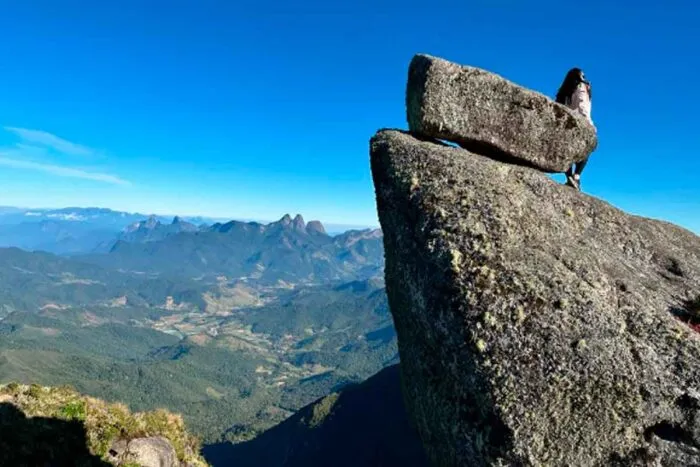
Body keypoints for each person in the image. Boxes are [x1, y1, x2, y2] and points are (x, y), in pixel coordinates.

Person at [556, 67, 593, 190]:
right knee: (586, 149)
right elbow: (583, 105)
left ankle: (569, 178)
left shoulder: (564, 91)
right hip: (580, 121)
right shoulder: (582, 87)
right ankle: (576, 177)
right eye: (582, 75)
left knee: (567, 151)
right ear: (577, 76)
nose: (584, 77)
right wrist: (588, 123)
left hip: (567, 123)